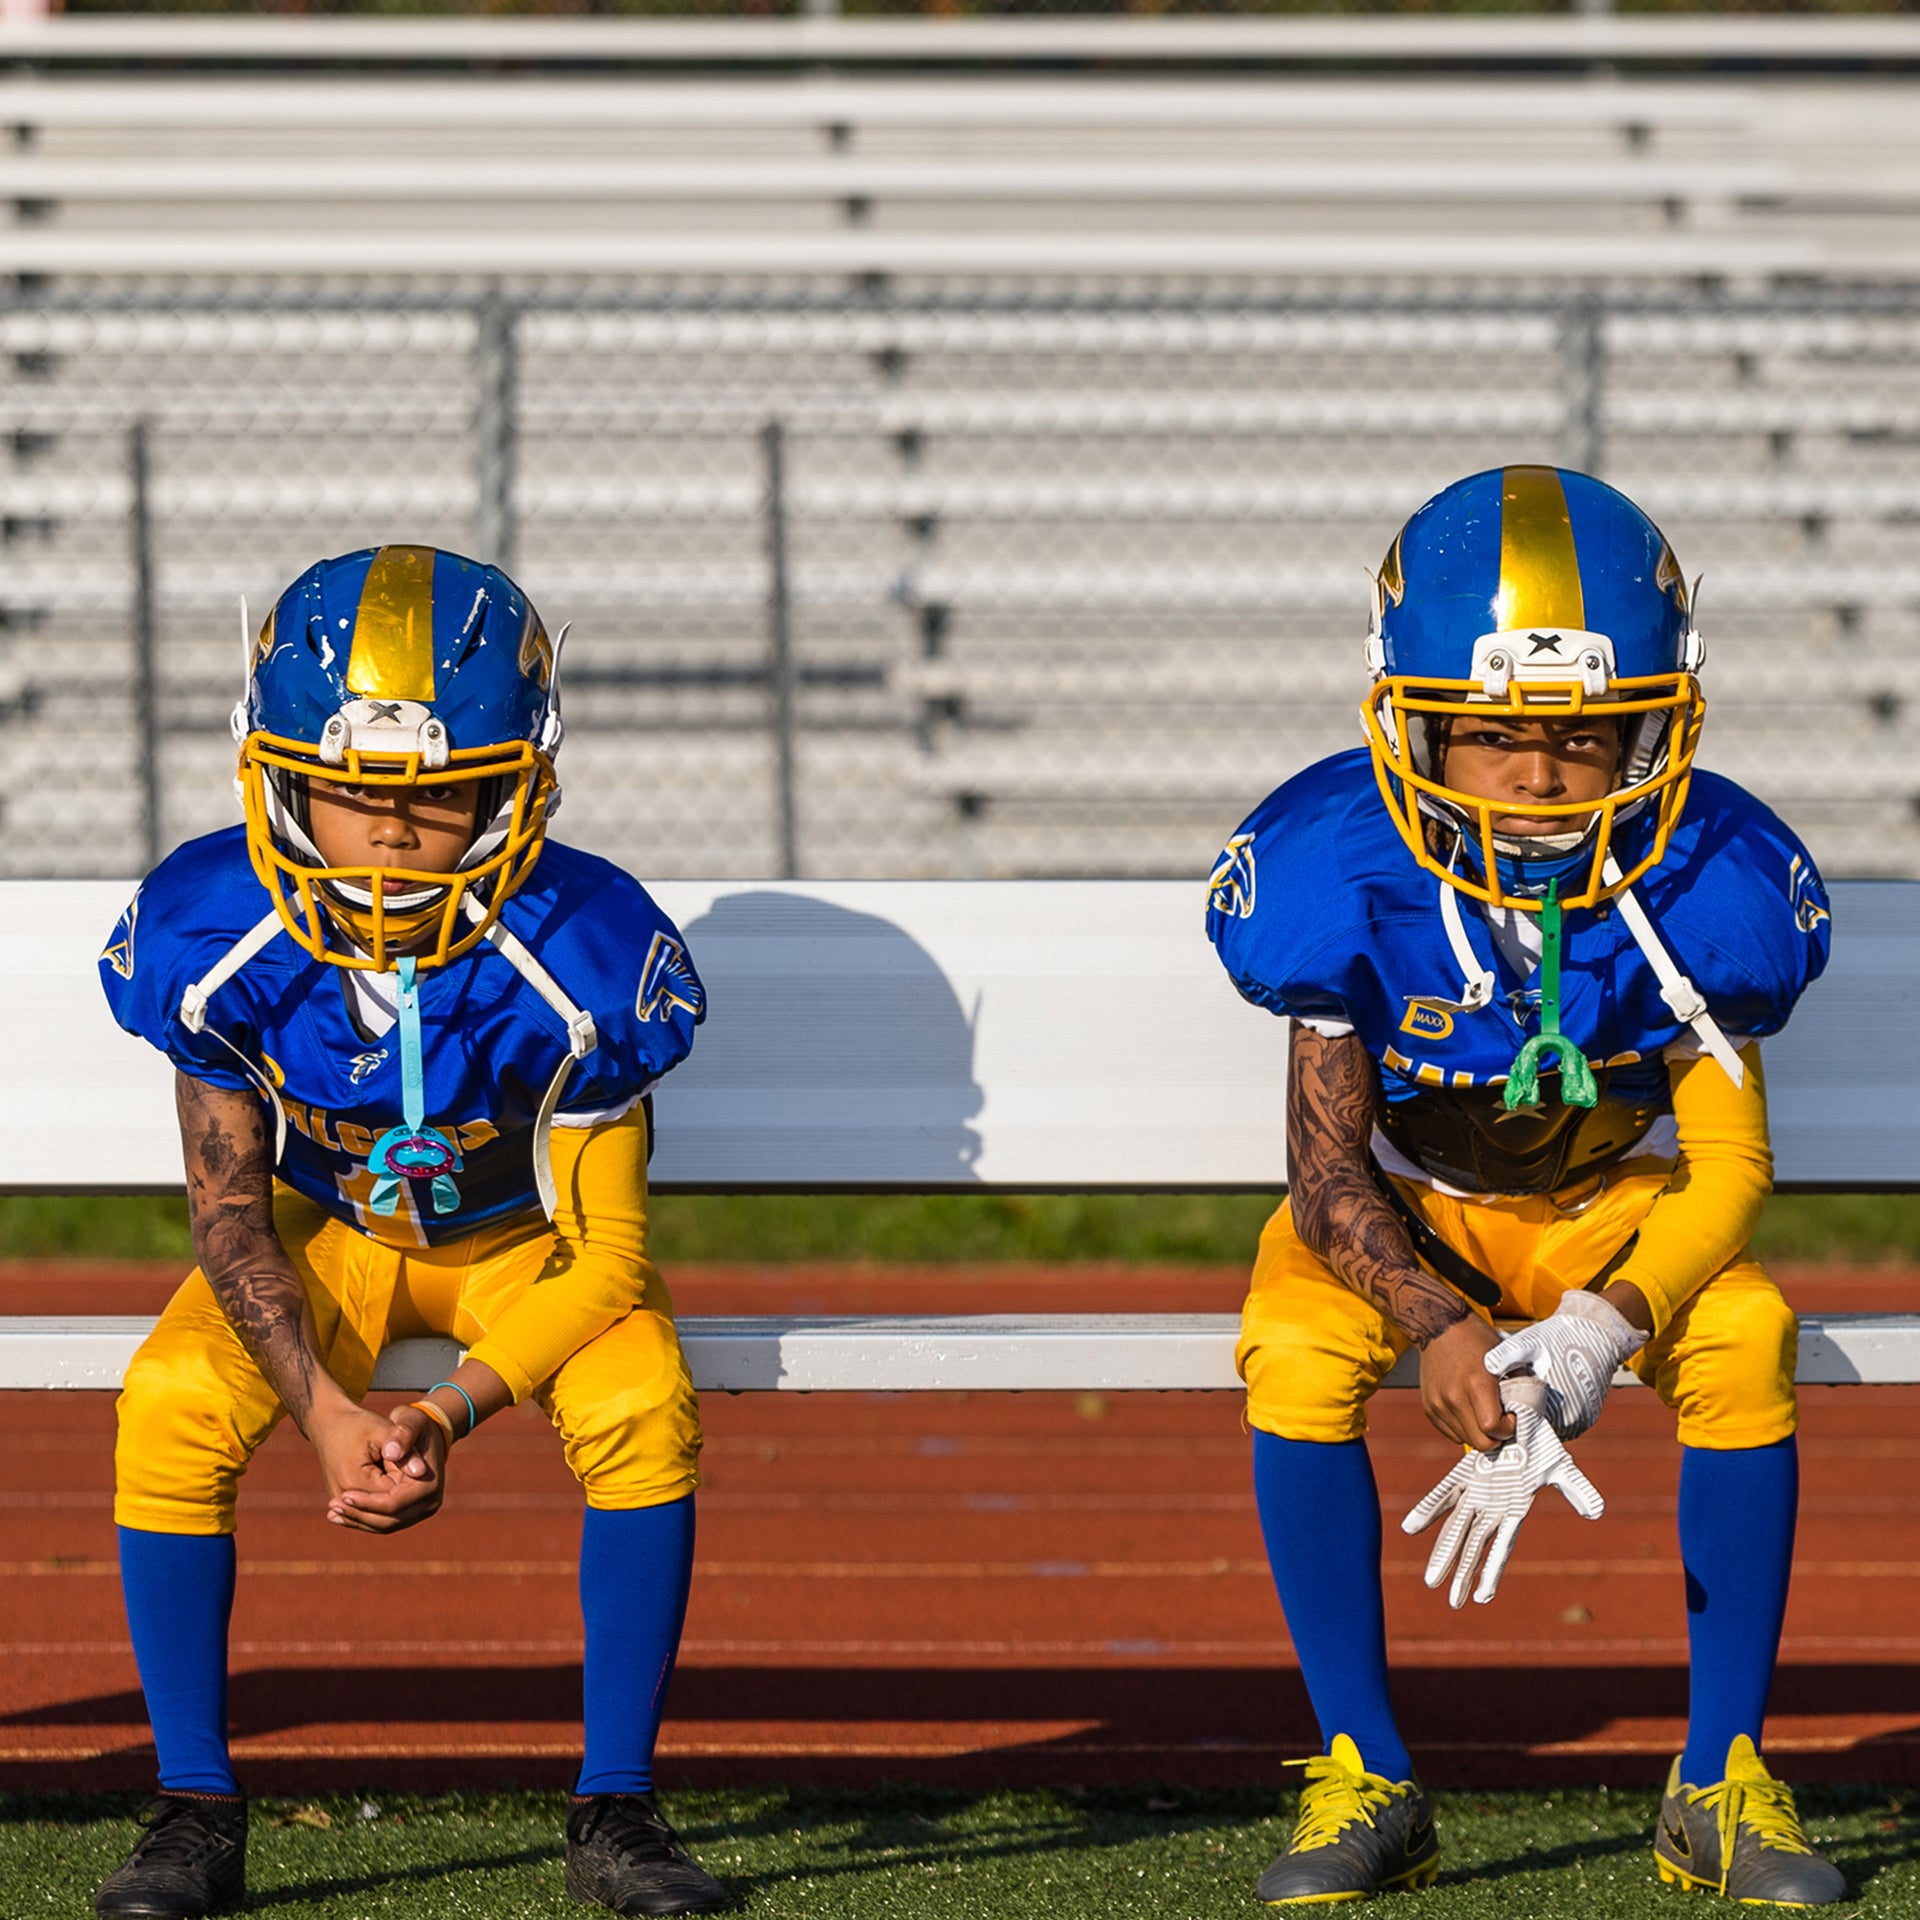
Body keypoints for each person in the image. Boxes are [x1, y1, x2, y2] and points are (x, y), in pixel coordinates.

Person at [1206, 467, 1843, 1907]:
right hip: (1417, 1207)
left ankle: (1719, 1776)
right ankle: (1364, 1767)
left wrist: (1601, 1325)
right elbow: (1323, 1177)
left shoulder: (1707, 878)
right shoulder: (1341, 869)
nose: (1539, 779)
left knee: (1743, 1334)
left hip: (1612, 1209)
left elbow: (1730, 1167)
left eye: (1582, 738)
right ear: (1411, 714)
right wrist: (1437, 1323)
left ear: (1654, 723)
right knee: (1300, 1347)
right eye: (1493, 736)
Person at [93, 545, 727, 1919]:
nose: (389, 833)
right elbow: (227, 1212)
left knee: (641, 1400)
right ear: (273, 773)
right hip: (326, 1237)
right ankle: (194, 1801)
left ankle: (617, 1800)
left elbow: (609, 1258)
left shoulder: (584, 955)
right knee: (169, 1404)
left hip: (524, 1245)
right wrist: (324, 1410)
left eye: (438, 799)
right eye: (352, 791)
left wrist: (445, 1412)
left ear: (518, 787)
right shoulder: (221, 932)